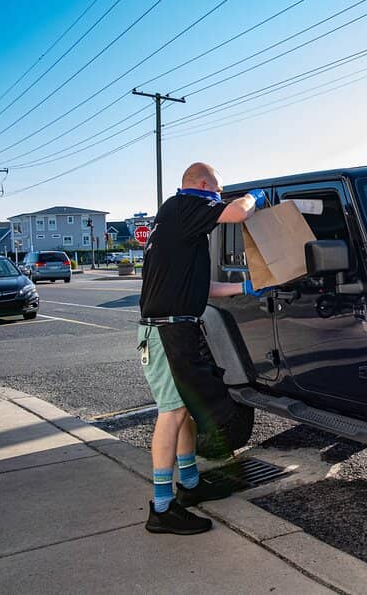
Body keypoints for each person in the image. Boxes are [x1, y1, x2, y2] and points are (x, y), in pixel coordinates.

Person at [138, 162, 269, 535]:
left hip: (175, 327)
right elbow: (237, 213)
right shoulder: (187, 205)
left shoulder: (176, 222)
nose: (217, 197)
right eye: (216, 190)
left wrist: (244, 288)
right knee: (172, 413)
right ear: (202, 184)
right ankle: (161, 509)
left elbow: (201, 288)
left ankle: (191, 485)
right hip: (164, 331)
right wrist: (252, 198)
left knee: (187, 410)